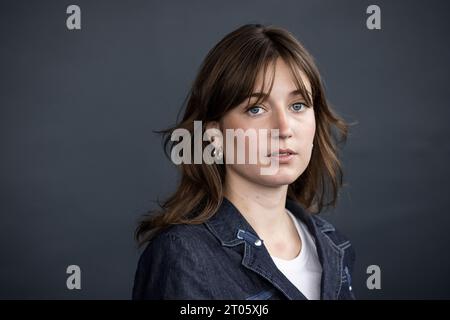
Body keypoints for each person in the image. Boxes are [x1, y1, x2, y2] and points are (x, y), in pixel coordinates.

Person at [132, 23, 355, 300]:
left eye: (298, 105)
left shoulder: (334, 245)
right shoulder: (183, 255)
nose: (284, 128)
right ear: (215, 135)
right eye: (256, 109)